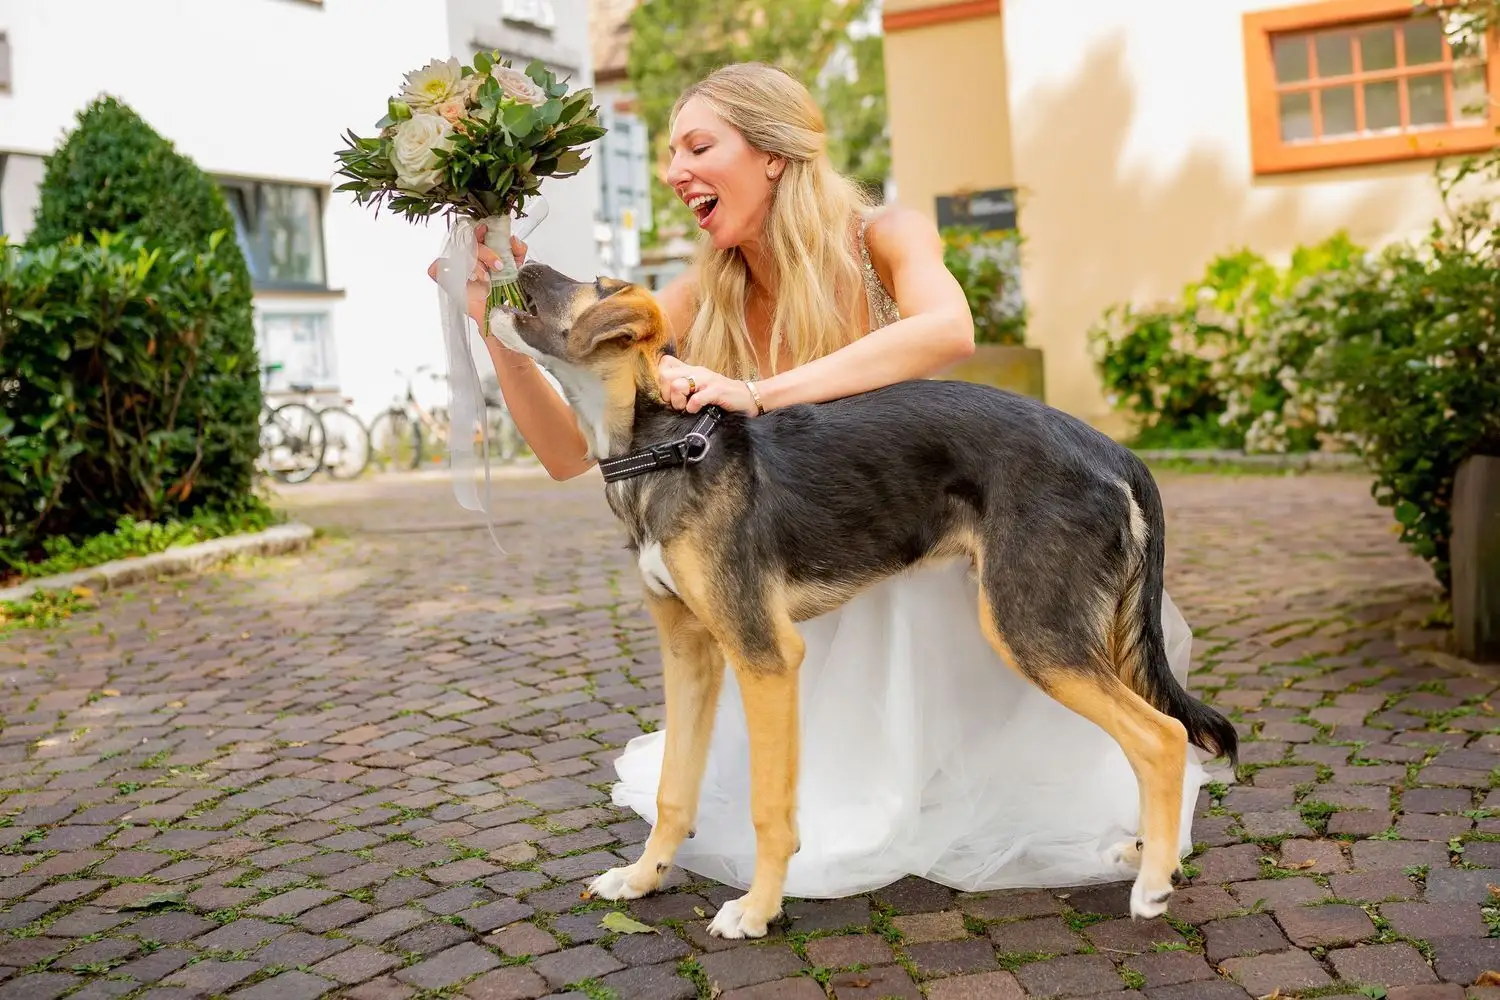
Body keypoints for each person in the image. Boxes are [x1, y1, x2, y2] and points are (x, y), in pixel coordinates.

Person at [431, 62, 1209, 899]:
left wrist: (756, 391)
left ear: (771, 153)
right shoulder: (703, 289)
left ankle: (1127, 788)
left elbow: (948, 329)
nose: (674, 171)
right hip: (794, 575)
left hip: (928, 552)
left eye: (698, 145)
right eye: (668, 154)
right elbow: (566, 452)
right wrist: (500, 331)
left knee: (1029, 676)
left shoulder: (886, 235)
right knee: (832, 804)